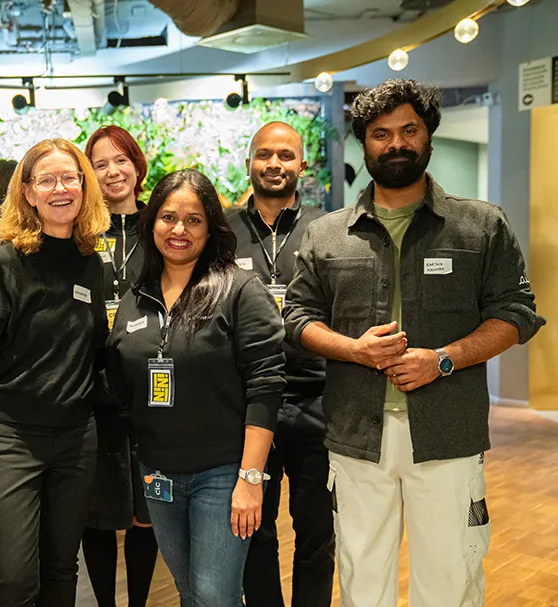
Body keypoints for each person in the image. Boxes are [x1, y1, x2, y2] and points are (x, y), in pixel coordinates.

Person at [284, 79, 546, 607]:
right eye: (381, 133)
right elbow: (297, 317)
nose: (396, 143)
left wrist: (444, 359)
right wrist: (354, 349)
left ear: (428, 136)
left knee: (450, 581)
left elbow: (516, 314)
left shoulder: (480, 226)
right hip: (357, 433)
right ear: (365, 142)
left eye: (409, 130)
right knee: (363, 581)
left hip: (447, 433)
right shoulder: (327, 235)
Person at [107, 168, 286, 606]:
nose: (179, 230)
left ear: (211, 227)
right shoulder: (136, 296)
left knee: (213, 595)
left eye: (193, 219)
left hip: (223, 473)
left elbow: (266, 387)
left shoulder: (239, 291)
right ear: (152, 224)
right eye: (168, 217)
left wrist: (250, 478)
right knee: (192, 591)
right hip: (159, 474)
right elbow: (120, 384)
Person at [0, 138, 110, 607]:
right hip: (12, 440)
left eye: (70, 178)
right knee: (15, 578)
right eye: (47, 180)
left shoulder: (92, 262)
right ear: (27, 192)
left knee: (62, 569)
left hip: (76, 440)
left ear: (84, 187)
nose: (60, 188)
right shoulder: (6, 263)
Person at [229, 123, 334, 607]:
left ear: (302, 166)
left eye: (286, 156)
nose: (275, 164)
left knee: (317, 530)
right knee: (255, 529)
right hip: (249, 404)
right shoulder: (223, 230)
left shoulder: (328, 228)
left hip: (318, 400)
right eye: (264, 155)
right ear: (248, 161)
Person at [82, 125, 158, 607]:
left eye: (120, 160)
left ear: (137, 166)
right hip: (91, 390)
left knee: (148, 510)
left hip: (153, 388)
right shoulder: (79, 232)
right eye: (100, 163)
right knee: (98, 511)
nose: (112, 172)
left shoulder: (161, 226)